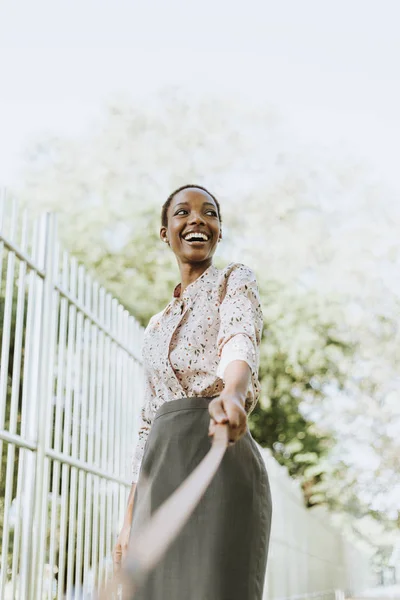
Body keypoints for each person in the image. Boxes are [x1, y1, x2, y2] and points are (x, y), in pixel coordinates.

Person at [113, 184, 272, 599]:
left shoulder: (234, 280)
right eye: (182, 212)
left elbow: (239, 339)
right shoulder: (154, 327)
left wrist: (233, 394)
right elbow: (148, 422)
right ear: (165, 232)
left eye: (210, 212)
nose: (198, 219)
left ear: (218, 230)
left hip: (218, 454)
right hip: (158, 473)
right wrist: (130, 516)